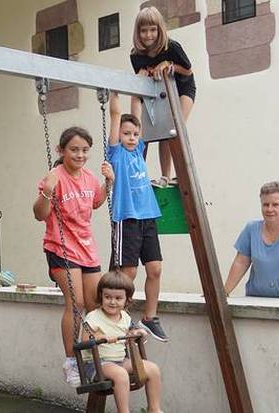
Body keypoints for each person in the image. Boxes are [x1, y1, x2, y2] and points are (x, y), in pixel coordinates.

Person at [33, 126, 114, 386]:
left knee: (94, 304)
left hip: (86, 248)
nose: (80, 155)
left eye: (84, 150)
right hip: (60, 247)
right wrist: (47, 191)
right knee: (76, 302)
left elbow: (95, 202)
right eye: (74, 150)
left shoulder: (89, 177)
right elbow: (39, 214)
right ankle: (71, 361)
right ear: (61, 150)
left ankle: (92, 357)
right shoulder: (54, 177)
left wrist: (108, 183)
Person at [107, 92, 169, 342]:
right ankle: (120, 318)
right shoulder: (117, 154)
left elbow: (137, 113)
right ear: (119, 136)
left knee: (155, 268)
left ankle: (150, 317)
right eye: (126, 134)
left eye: (134, 134)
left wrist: (137, 88)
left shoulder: (139, 149)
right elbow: (115, 115)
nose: (131, 138)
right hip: (127, 217)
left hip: (148, 216)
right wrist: (113, 92)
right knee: (128, 273)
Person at [130, 6, 196, 188]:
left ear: (159, 30)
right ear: (138, 32)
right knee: (155, 133)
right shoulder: (136, 55)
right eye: (144, 31)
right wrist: (143, 74)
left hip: (182, 88)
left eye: (153, 30)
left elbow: (188, 70)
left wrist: (169, 64)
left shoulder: (172, 47)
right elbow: (141, 79)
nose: (148, 35)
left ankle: (173, 174)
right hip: (158, 93)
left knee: (173, 129)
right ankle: (153, 176)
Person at [82, 271, 163, 413]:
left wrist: (137, 333)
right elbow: (85, 340)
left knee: (153, 369)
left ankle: (154, 409)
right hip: (97, 364)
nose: (112, 302)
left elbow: (132, 331)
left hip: (120, 361)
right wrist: (101, 337)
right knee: (121, 374)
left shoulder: (125, 317)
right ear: (101, 296)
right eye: (107, 297)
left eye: (118, 298)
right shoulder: (93, 317)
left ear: (127, 300)